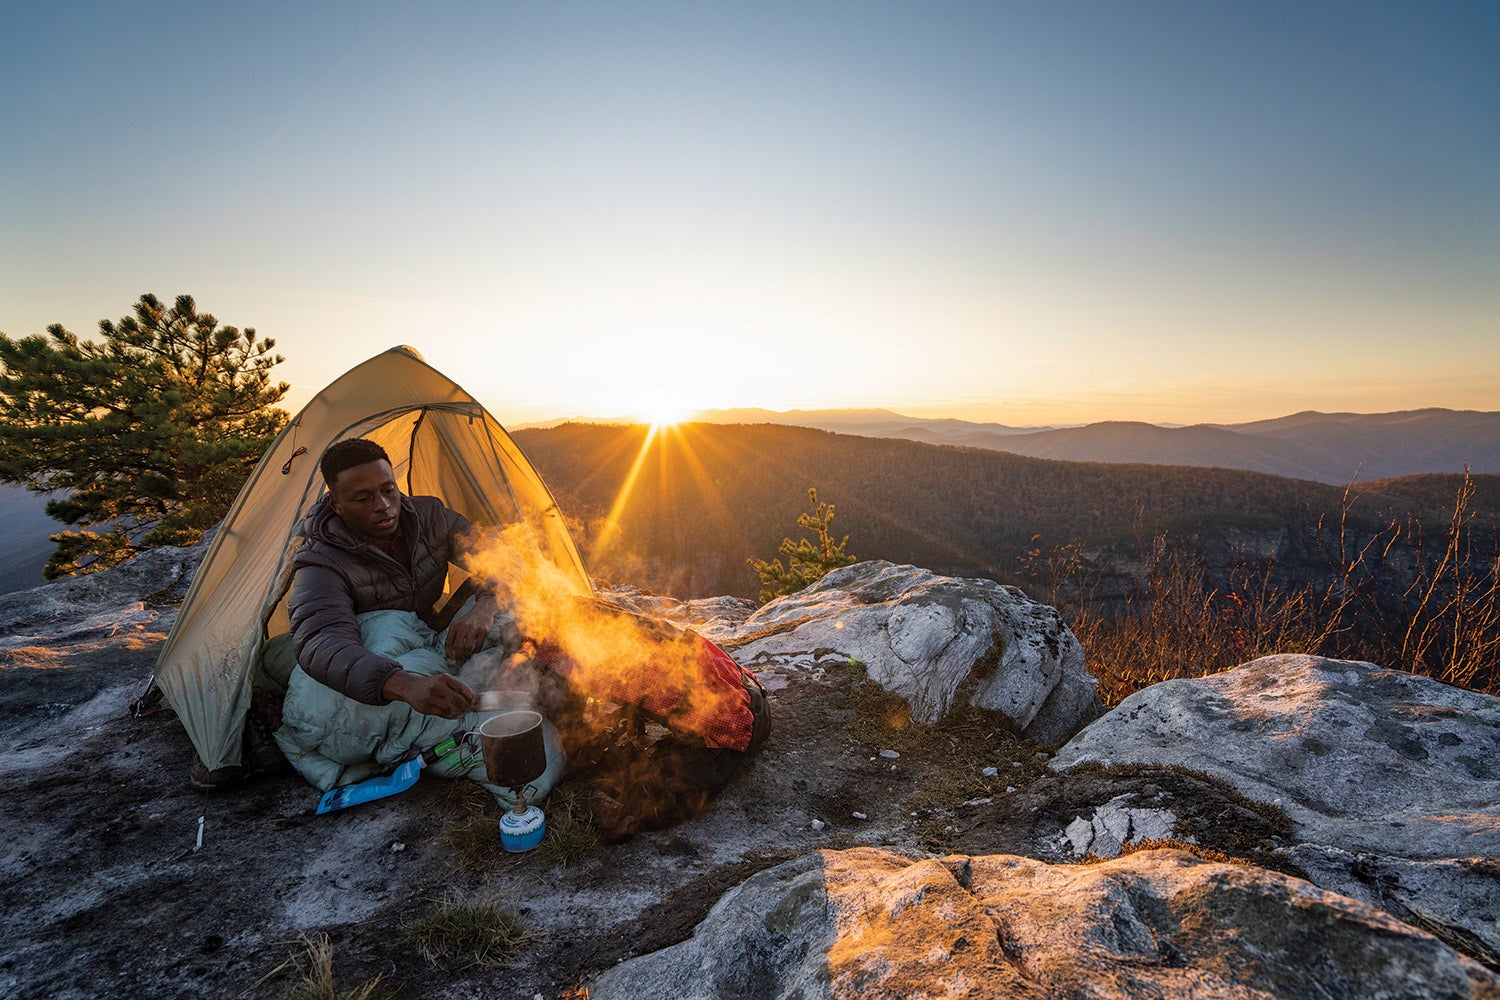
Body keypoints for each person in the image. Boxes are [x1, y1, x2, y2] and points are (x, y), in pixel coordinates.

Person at [265, 438, 565, 802]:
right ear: (336, 504)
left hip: (427, 636)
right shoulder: (321, 559)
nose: (383, 506)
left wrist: (484, 606)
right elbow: (321, 641)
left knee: (520, 605)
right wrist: (403, 684)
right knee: (386, 624)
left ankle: (539, 686)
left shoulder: (429, 517)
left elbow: (504, 559)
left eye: (388, 490)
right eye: (363, 498)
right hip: (380, 657)